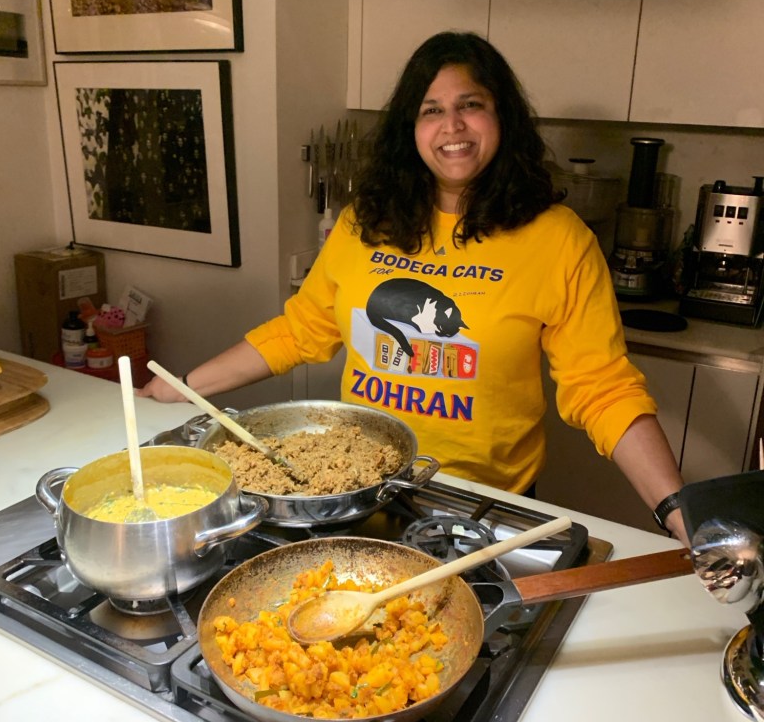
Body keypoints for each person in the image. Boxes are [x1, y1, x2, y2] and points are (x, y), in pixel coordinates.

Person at [138, 31, 688, 543]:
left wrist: (679, 510)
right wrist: (184, 386)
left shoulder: (558, 239)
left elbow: (602, 386)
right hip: (359, 487)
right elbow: (300, 331)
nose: (452, 126)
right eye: (431, 110)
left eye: (470, 104)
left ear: (502, 116)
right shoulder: (363, 223)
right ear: (411, 127)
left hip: (480, 506)